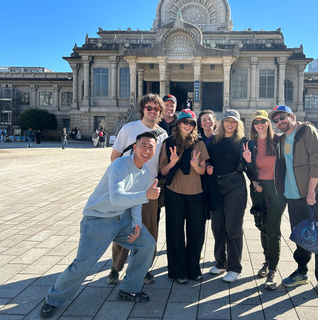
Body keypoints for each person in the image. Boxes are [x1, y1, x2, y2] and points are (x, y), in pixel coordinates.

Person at [39, 132, 161, 319]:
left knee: (147, 245)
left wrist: (137, 223)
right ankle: (52, 299)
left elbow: (135, 202)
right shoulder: (119, 165)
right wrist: (147, 195)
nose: (147, 150)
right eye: (143, 145)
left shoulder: (144, 172)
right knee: (83, 264)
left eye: (151, 147)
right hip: (98, 219)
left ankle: (129, 289)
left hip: (123, 219)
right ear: (135, 148)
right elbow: (116, 198)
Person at [269, 105, 318, 298]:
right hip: (292, 195)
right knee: (301, 235)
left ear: (292, 116)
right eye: (277, 120)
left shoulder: (307, 131)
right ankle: (301, 271)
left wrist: (312, 190)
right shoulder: (282, 139)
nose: (280, 122)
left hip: (312, 194)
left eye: (283, 118)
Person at [108, 93, 168, 286]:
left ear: (160, 112)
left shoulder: (163, 134)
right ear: (143, 109)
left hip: (150, 187)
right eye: (149, 108)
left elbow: (160, 164)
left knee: (149, 229)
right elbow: (115, 157)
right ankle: (116, 268)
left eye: (156, 109)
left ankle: (144, 269)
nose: (152, 111)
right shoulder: (128, 129)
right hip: (128, 186)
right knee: (125, 227)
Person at [159, 109, 209, 284]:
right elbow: (162, 171)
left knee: (196, 232)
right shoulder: (169, 143)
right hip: (174, 192)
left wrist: (195, 165)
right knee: (175, 232)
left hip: (195, 193)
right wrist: (172, 163)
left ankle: (193, 269)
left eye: (191, 123)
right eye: (185, 122)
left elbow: (202, 170)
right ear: (178, 123)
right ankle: (178, 271)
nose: (188, 126)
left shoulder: (199, 144)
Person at [243, 110, 286, 290]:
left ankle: (273, 269)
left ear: (268, 123)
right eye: (256, 122)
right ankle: (267, 261)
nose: (259, 125)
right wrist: (253, 179)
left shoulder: (278, 141)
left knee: (273, 228)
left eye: (263, 121)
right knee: (262, 225)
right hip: (258, 189)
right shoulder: (249, 144)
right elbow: (249, 168)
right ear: (253, 125)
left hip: (276, 190)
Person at [206, 109, 249, 283]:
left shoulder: (242, 141)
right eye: (227, 121)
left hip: (235, 185)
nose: (230, 124)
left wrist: (249, 161)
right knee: (217, 226)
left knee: (233, 226)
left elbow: (250, 165)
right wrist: (207, 164)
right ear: (222, 122)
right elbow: (204, 156)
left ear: (238, 124)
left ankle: (234, 267)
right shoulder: (214, 139)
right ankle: (221, 262)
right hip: (216, 185)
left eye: (233, 121)